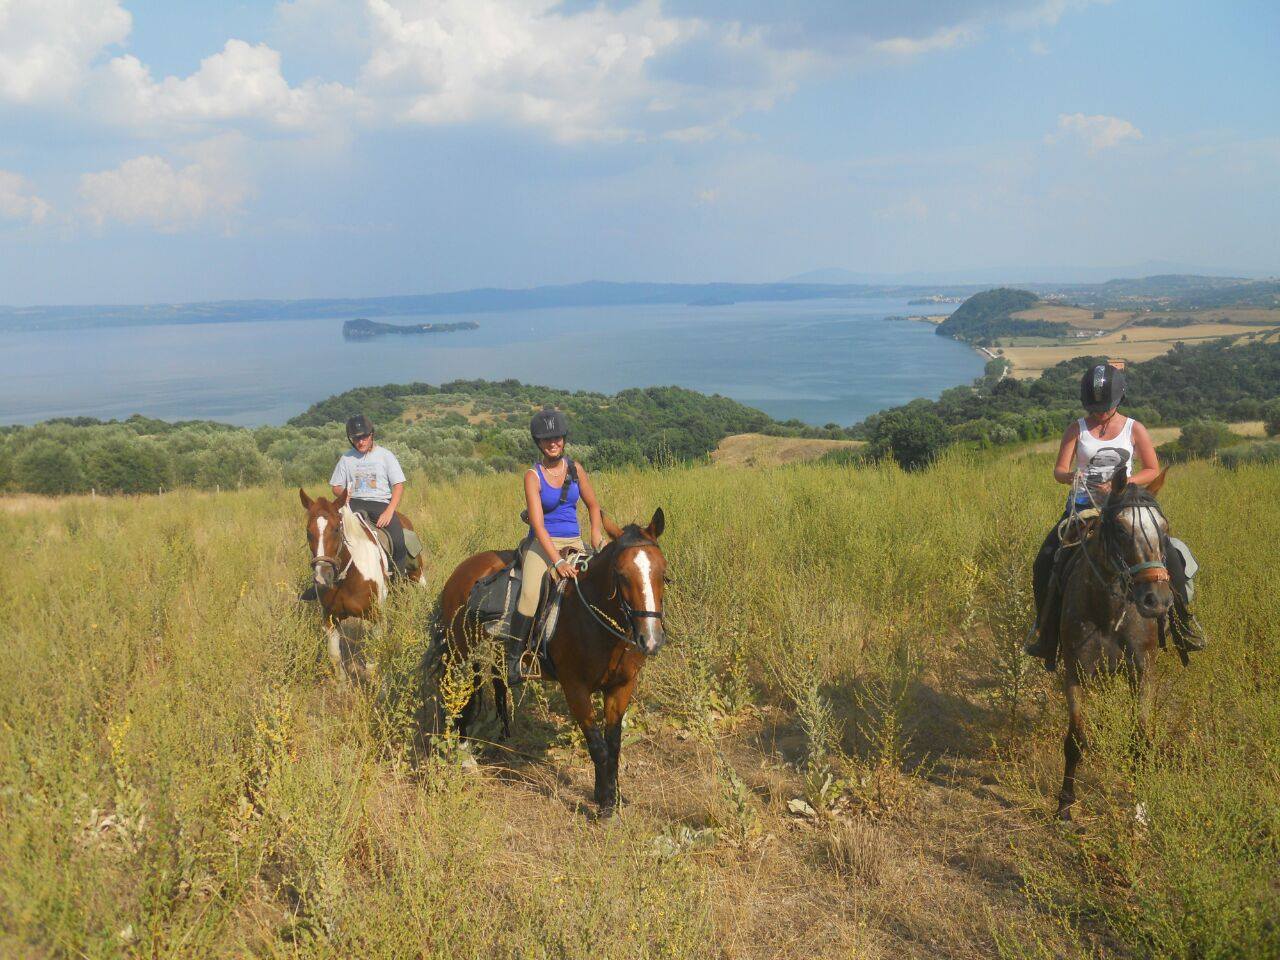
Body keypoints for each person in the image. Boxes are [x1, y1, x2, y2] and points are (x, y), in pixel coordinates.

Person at [1025, 361, 1202, 668]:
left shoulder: (1135, 429)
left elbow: (1152, 469)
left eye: (1105, 408)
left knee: (1171, 555)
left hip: (1125, 506)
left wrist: (1123, 483)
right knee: (1045, 559)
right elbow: (1058, 470)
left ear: (1119, 400)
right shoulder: (1076, 429)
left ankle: (1184, 624)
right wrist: (1072, 477)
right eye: (1094, 408)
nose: (1099, 413)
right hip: (1083, 507)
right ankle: (1045, 634)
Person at [497, 407, 604, 684]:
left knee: (596, 589)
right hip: (543, 544)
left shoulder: (576, 469)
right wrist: (557, 561)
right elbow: (539, 525)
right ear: (538, 443)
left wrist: (595, 535)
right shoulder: (533, 476)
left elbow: (593, 506)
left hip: (574, 541)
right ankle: (514, 659)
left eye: (557, 438)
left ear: (564, 439)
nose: (553, 443)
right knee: (531, 594)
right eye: (546, 439)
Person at [329, 414, 411, 576]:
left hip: (380, 504)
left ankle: (399, 580)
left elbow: (398, 486)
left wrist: (389, 511)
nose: (360, 442)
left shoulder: (386, 456)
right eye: (356, 438)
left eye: (364, 437)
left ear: (371, 435)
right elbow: (336, 486)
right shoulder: (346, 458)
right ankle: (322, 579)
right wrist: (343, 494)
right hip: (353, 503)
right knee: (325, 532)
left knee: (398, 539)